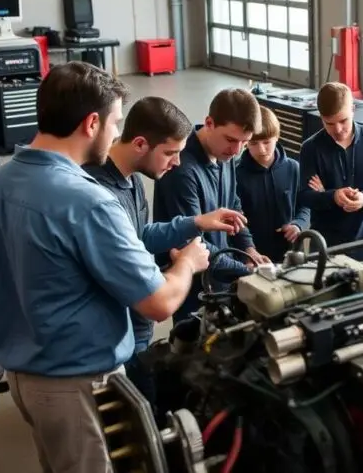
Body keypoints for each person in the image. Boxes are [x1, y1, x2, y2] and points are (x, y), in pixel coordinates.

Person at [0, 61, 212, 473]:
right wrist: (188, 265)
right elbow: (158, 303)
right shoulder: (87, 200)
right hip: (75, 384)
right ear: (91, 123)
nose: (117, 132)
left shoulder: (0, 180)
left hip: (23, 374)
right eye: (115, 122)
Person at [81, 96, 247, 412]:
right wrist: (186, 263)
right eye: (170, 153)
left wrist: (196, 222)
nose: (176, 163)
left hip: (136, 332)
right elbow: (159, 304)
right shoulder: (100, 193)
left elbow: (140, 236)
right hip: (116, 338)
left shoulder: (130, 181)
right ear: (141, 144)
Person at [152, 88, 271, 321]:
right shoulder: (181, 170)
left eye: (244, 143)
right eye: (231, 139)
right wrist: (247, 271)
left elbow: (232, 204)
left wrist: (248, 249)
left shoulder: (225, 155)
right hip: (192, 286)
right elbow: (192, 244)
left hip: (221, 275)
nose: (236, 150)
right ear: (209, 123)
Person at [298, 82, 363, 261]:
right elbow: (304, 196)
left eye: (343, 121)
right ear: (321, 117)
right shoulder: (310, 148)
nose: (337, 129)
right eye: (329, 123)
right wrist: (333, 196)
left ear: (352, 109)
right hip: (325, 245)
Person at [235, 106, 311, 263]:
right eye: (253, 143)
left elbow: (305, 205)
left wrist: (298, 224)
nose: (261, 149)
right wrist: (247, 250)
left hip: (291, 252)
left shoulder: (294, 168)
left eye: (266, 142)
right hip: (254, 255)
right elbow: (235, 219)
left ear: (277, 137)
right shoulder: (236, 174)